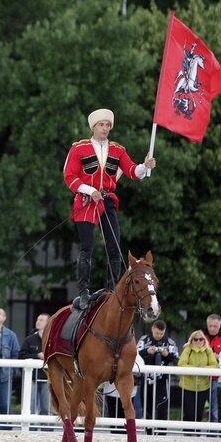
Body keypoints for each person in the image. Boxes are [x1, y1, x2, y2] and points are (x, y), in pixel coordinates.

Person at [63, 108, 156, 309]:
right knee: (86, 246)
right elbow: (69, 176)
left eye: (108, 125)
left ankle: (113, 288)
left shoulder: (118, 150)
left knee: (114, 245)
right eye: (101, 125)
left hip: (107, 200)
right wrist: (90, 190)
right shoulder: (79, 148)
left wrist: (145, 165)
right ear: (93, 127)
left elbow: (132, 171)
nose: (105, 128)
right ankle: (84, 292)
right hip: (86, 202)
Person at [136, 319, 179, 433]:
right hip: (145, 379)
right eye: (157, 333)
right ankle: (148, 431)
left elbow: (176, 360)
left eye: (161, 333)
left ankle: (162, 432)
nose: (159, 336)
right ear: (152, 329)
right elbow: (135, 356)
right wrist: (146, 351)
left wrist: (167, 355)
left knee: (162, 407)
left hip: (162, 380)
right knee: (147, 406)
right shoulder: (144, 340)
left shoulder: (170, 342)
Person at [178, 330, 218, 430]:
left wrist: (204, 369)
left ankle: (196, 433)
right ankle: (187, 433)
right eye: (196, 339)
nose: (198, 341)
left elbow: (215, 366)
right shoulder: (188, 350)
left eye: (201, 339)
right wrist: (195, 369)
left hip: (203, 387)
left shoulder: (208, 351)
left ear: (204, 341)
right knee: (189, 412)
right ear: (191, 341)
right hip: (188, 386)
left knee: (199, 413)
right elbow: (181, 364)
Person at [19, 313, 51, 418]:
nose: (38, 321)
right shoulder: (29, 339)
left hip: (47, 377)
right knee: (30, 405)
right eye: (38, 319)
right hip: (32, 378)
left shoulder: (53, 339)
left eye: (41, 320)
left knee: (46, 406)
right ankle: (30, 428)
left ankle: (46, 429)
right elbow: (22, 356)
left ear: (48, 323)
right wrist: (37, 355)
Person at [203, 313, 221, 423]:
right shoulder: (201, 338)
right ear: (207, 325)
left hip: (218, 378)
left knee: (215, 406)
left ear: (220, 325)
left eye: (215, 326)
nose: (212, 328)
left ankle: (213, 433)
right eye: (210, 326)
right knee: (200, 406)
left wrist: (218, 357)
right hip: (202, 377)